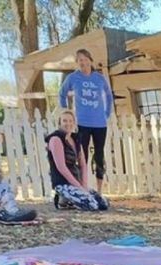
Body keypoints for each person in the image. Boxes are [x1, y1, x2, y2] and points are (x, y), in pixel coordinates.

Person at [58, 49, 113, 195]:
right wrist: (66, 112)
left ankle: (100, 190)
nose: (83, 62)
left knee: (99, 155)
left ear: (90, 60)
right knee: (83, 156)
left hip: (100, 123)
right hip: (82, 123)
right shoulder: (73, 78)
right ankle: (84, 187)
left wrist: (107, 113)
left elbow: (108, 95)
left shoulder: (99, 78)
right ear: (77, 63)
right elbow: (62, 93)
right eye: (80, 60)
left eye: (85, 59)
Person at [46, 110, 109, 211]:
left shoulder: (76, 139)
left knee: (102, 204)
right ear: (59, 123)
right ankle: (63, 199)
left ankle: (71, 199)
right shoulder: (55, 139)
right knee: (91, 205)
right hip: (63, 182)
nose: (68, 124)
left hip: (77, 180)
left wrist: (83, 185)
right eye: (65, 121)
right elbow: (61, 167)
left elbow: (83, 165)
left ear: (74, 123)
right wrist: (78, 186)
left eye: (71, 121)